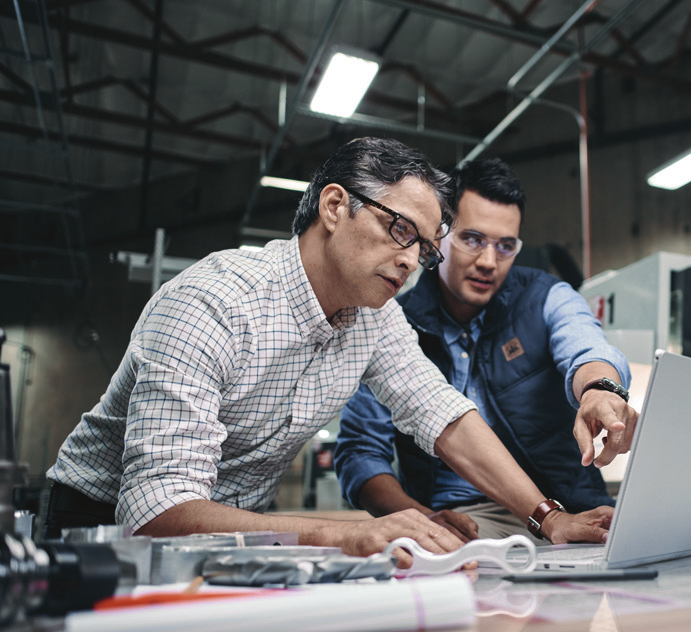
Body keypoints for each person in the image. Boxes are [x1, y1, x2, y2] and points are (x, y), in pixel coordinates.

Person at [45, 138, 616, 566]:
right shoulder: (213, 303)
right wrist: (345, 533)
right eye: (400, 230)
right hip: (98, 527)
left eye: (423, 248)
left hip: (236, 526)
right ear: (335, 206)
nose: (410, 259)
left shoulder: (374, 318)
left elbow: (442, 414)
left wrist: (550, 518)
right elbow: (154, 512)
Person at [334, 157, 638, 543]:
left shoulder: (545, 297)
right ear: (438, 234)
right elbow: (361, 453)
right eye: (473, 239)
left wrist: (601, 389)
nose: (489, 262)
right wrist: (426, 521)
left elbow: (586, 345)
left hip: (569, 507)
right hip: (467, 521)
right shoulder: (391, 324)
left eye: (506, 246)